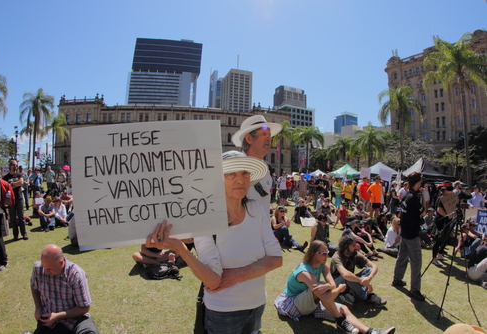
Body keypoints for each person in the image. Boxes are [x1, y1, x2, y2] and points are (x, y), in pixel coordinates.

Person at [146, 151, 282, 334]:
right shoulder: (206, 219)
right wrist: (182, 249)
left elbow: (276, 258)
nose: (240, 180)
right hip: (223, 313)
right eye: (230, 174)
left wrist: (236, 275)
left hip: (257, 305)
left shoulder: (256, 210)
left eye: (244, 173)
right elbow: (213, 279)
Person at [274, 240, 397, 334]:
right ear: (313, 254)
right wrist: (338, 289)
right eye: (323, 253)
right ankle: (340, 320)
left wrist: (330, 286)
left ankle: (370, 331)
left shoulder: (323, 264)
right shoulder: (305, 272)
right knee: (321, 288)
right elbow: (326, 296)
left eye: (327, 253)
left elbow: (331, 284)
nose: (327, 256)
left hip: (310, 301)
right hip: (293, 304)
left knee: (343, 308)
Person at [30, 244, 100, 333]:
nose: (46, 272)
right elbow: (34, 287)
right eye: (44, 268)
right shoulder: (38, 269)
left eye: (49, 269)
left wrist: (58, 316)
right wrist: (38, 307)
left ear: (61, 263)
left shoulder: (76, 275)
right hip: (49, 320)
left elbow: (84, 308)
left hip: (74, 319)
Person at [232, 115, 282, 212]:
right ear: (249, 138)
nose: (269, 138)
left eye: (269, 134)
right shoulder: (234, 168)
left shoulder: (266, 167)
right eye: (264, 134)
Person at [392, 172, 426, 301]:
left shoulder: (406, 195)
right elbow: (422, 212)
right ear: (418, 183)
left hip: (405, 231)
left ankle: (397, 279)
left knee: (402, 257)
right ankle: (415, 290)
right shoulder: (414, 197)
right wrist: (422, 195)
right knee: (416, 262)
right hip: (412, 233)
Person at [330, 230, 387, 308]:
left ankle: (350, 294)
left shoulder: (355, 254)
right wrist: (362, 281)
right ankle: (367, 296)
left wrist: (369, 278)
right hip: (337, 282)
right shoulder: (337, 257)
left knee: (369, 270)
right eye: (353, 245)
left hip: (350, 279)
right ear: (346, 246)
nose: (356, 247)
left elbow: (374, 266)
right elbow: (345, 275)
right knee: (348, 276)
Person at [3, 159, 28, 240]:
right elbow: (5, 188)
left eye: (17, 165)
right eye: (14, 165)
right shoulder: (6, 177)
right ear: (10, 166)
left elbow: (21, 182)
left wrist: (11, 185)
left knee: (21, 217)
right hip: (10, 200)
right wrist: (14, 185)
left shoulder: (19, 175)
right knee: (13, 218)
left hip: (19, 198)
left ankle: (24, 234)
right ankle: (15, 235)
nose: (16, 166)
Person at [432, 182, 456, 267]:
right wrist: (449, 214)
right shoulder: (441, 199)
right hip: (440, 221)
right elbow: (439, 210)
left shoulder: (449, 198)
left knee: (445, 238)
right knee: (438, 239)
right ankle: (434, 258)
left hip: (447, 220)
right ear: (445, 190)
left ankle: (440, 255)